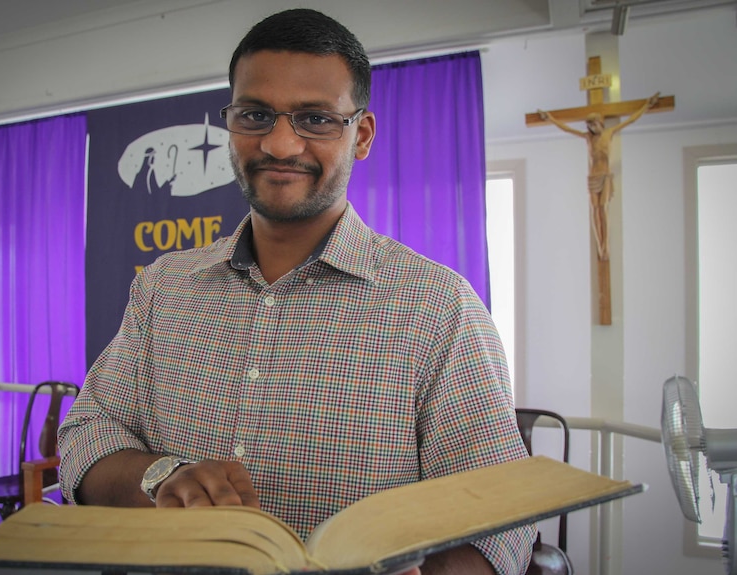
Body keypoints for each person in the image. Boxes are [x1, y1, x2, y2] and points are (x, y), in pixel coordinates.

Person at [58, 8, 534, 575]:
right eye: (255, 114)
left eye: (315, 119)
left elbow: (500, 517)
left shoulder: (438, 306)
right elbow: (86, 435)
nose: (280, 144)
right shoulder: (164, 287)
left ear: (362, 135)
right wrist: (162, 476)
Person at [538, 92, 659, 261]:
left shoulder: (608, 134)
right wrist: (550, 119)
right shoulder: (588, 138)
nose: (591, 127)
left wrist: (647, 105)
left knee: (603, 209)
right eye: (589, 125)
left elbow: (630, 120)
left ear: (599, 122)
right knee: (594, 210)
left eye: (593, 123)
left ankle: (605, 244)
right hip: (593, 177)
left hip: (605, 176)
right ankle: (599, 242)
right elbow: (567, 128)